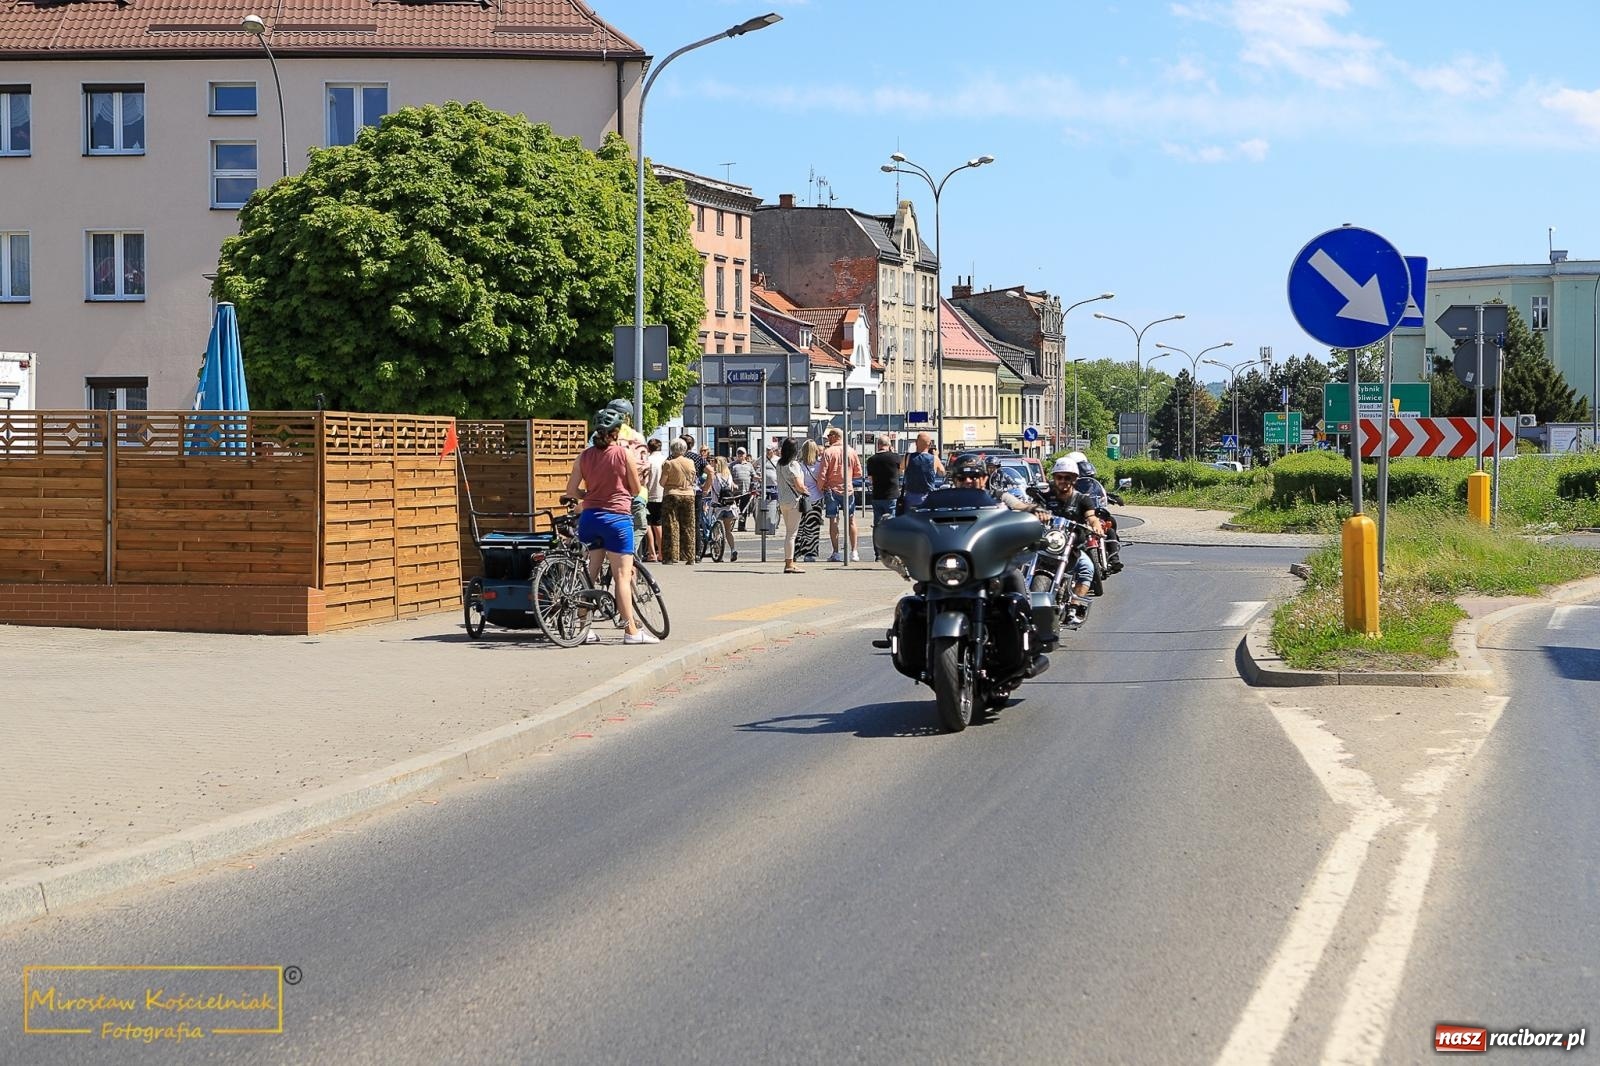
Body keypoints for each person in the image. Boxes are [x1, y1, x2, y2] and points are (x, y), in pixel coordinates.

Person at [562, 407, 659, 644]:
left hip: (590, 518)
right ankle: (631, 631)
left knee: (590, 573)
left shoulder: (583, 456)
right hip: (617, 519)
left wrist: (590, 493)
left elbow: (571, 491)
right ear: (616, 432)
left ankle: (584, 628)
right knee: (622, 576)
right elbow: (636, 489)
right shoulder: (623, 454)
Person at [1038, 456, 1103, 606]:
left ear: (1075, 479)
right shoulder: (1045, 497)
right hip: (1047, 544)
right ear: (1054, 478)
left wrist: (1096, 525)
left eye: (1068, 477)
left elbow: (1091, 517)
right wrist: (1038, 512)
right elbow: (1034, 508)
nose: (1063, 481)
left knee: (1087, 568)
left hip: (1071, 548)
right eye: (1059, 477)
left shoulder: (1082, 500)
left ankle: (1075, 605)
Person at [818, 427, 862, 562]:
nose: (828, 439)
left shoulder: (828, 452)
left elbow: (822, 473)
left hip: (831, 489)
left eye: (829, 436)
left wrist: (820, 488)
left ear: (835, 436)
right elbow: (858, 473)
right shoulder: (852, 451)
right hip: (848, 490)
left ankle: (836, 552)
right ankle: (854, 552)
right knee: (851, 519)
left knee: (833, 520)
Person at [658, 439, 698, 565]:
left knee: (671, 525)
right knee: (689, 526)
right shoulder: (691, 462)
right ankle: (690, 556)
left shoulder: (669, 464)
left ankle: (671, 556)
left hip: (672, 494)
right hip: (689, 494)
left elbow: (662, 483)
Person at [774, 438, 809, 574]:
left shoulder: (779, 463)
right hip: (794, 501)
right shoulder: (793, 464)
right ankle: (789, 564)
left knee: (789, 532)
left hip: (783, 501)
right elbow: (799, 485)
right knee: (791, 534)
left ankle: (789, 562)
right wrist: (805, 491)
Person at [865, 435, 901, 561]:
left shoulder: (871, 460)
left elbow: (870, 480)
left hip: (877, 496)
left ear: (878, 445)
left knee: (877, 525)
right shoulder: (895, 458)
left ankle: (878, 554)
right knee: (891, 524)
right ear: (889, 445)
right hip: (892, 495)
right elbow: (901, 472)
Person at [707, 455, 741, 563]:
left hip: (718, 506)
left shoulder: (714, 476)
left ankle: (718, 554)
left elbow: (710, 489)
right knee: (727, 531)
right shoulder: (728, 475)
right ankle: (733, 549)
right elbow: (732, 487)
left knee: (717, 531)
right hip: (730, 506)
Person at [796, 439, 825, 563]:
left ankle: (796, 551)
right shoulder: (820, 465)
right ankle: (810, 553)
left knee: (799, 527)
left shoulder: (798, 465)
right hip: (816, 498)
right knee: (813, 528)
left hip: (801, 498)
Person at [900, 432, 944, 511]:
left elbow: (901, 470)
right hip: (928, 496)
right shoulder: (934, 459)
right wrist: (936, 455)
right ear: (930, 444)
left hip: (911, 496)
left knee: (910, 520)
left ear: (916, 443)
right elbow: (942, 473)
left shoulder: (908, 457)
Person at [644, 437, 665, 563]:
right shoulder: (665, 460)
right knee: (659, 524)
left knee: (647, 524)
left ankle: (652, 552)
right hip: (662, 494)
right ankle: (661, 552)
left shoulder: (647, 461)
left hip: (648, 494)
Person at [730, 448, 755, 531]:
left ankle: (741, 526)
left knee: (743, 509)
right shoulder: (732, 465)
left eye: (742, 453)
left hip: (746, 491)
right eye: (739, 453)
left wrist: (760, 478)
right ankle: (730, 525)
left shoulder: (749, 465)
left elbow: (753, 475)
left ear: (745, 455)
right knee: (732, 508)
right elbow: (728, 476)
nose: (740, 455)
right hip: (734, 492)